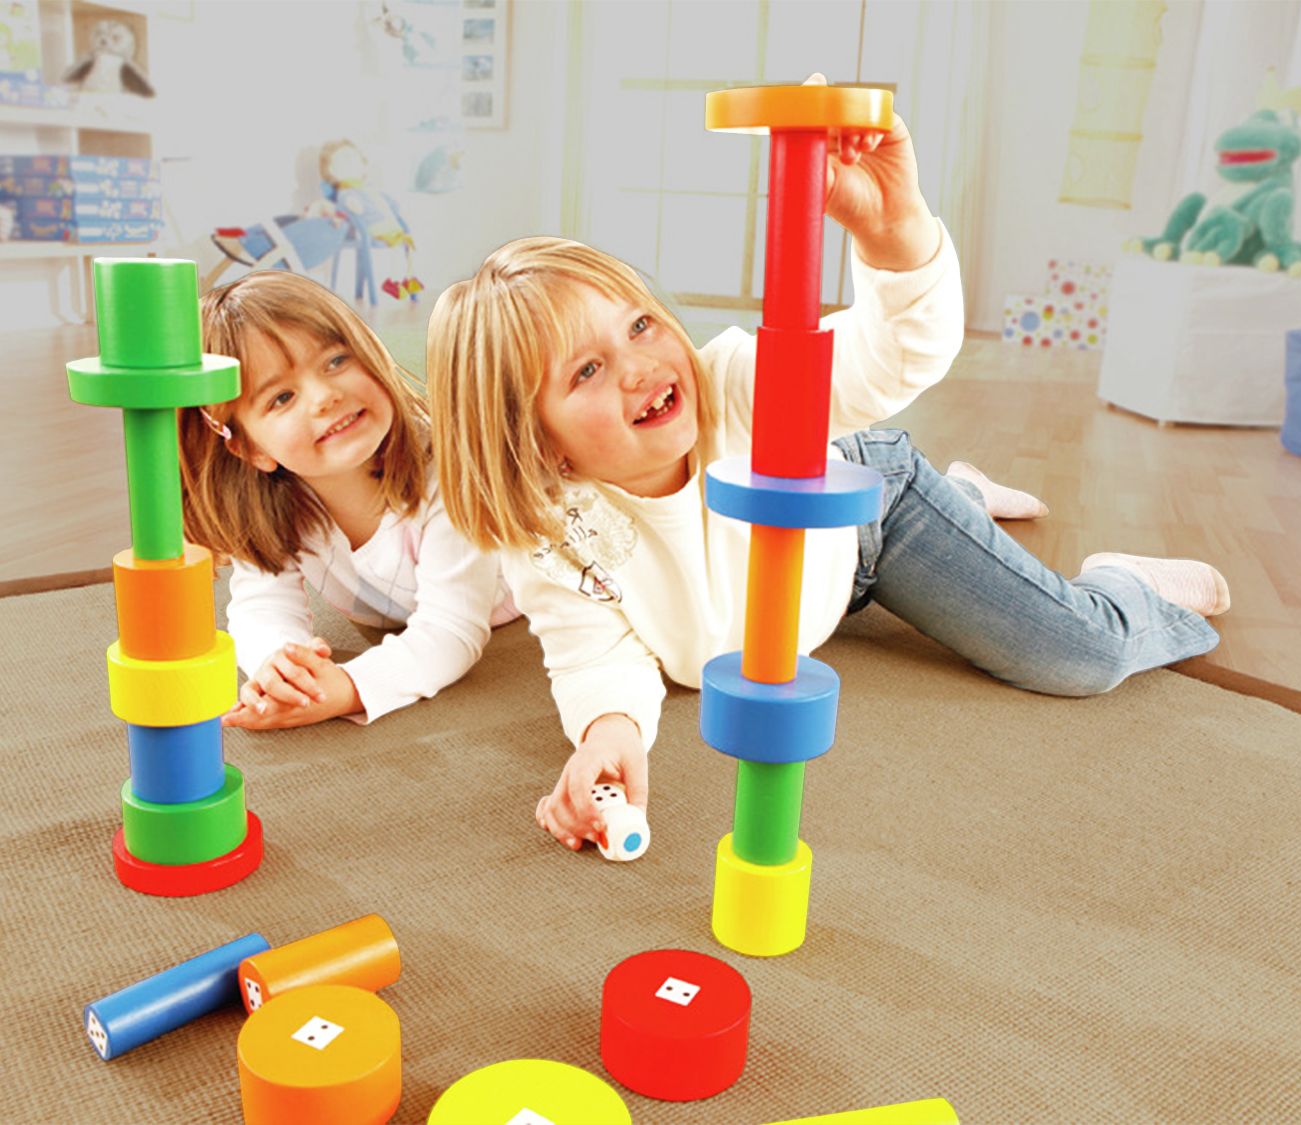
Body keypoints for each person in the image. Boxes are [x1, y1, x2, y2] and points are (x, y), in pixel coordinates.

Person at [426, 77, 1229, 852]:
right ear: (529, 438)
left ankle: (1120, 582)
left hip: (868, 521)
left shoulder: (733, 382)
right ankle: (972, 500)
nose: (639, 366)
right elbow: (595, 651)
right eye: (587, 371)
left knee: (1080, 657)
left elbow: (891, 361)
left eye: (639, 324)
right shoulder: (547, 527)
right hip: (785, 604)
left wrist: (893, 233)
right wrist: (610, 732)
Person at [181, 270, 517, 730]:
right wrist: (284, 667)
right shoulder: (273, 505)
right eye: (281, 398)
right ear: (251, 448)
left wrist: (345, 687)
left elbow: (451, 631)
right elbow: (259, 606)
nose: (324, 397)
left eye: (336, 361)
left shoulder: (453, 470)